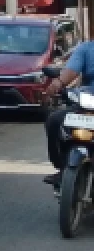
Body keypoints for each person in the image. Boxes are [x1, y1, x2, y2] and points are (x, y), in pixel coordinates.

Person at [44, 39, 94, 186]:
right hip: (86, 103)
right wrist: (58, 84)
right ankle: (62, 168)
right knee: (54, 120)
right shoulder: (86, 48)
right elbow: (70, 71)